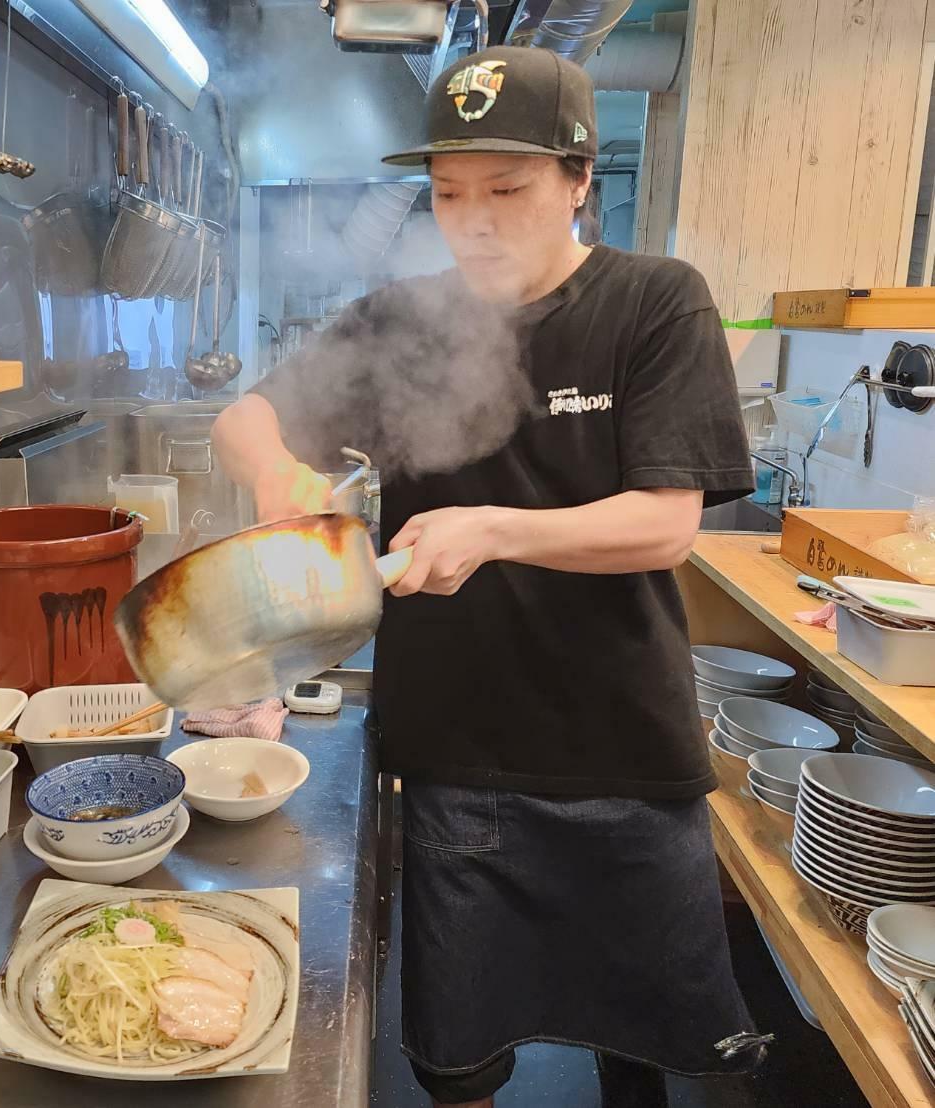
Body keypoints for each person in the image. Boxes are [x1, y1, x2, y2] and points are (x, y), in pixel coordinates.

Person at [213, 45, 771, 1108]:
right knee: (458, 1054)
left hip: (621, 746)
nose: (471, 218)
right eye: (447, 191)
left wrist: (493, 528)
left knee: (642, 1040)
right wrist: (275, 472)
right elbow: (247, 416)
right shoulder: (401, 321)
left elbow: (663, 525)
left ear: (575, 181)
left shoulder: (655, 304)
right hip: (459, 752)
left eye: (506, 189)